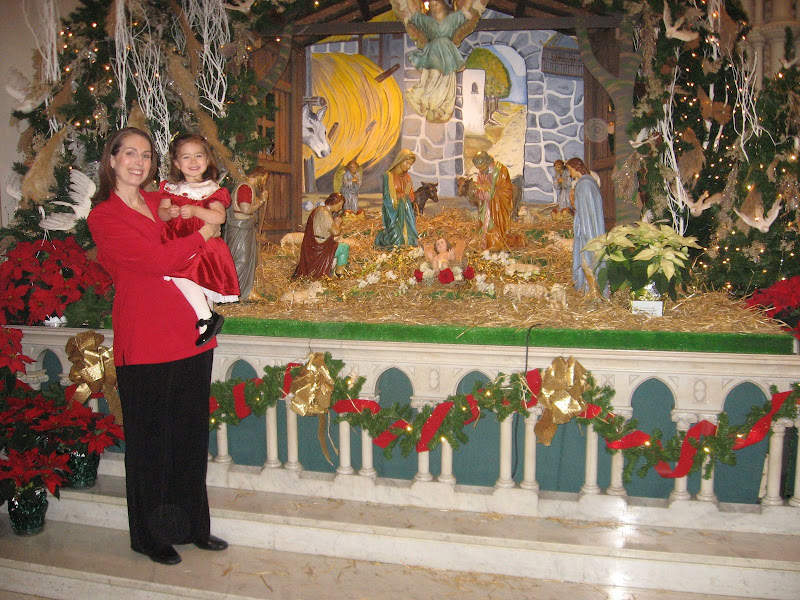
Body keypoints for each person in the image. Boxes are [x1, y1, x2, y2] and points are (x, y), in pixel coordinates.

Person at [87, 127, 228, 566]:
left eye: (146, 154)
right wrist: (203, 236)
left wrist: (215, 221)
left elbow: (208, 214)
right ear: (112, 160)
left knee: (189, 437)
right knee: (151, 444)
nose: (138, 162)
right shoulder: (104, 216)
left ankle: (192, 527)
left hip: (190, 334)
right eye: (129, 153)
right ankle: (150, 537)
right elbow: (156, 261)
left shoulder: (159, 201)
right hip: (145, 338)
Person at [158, 133, 239, 346]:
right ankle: (206, 321)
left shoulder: (211, 190)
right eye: (186, 157)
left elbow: (219, 217)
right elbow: (162, 213)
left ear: (207, 159)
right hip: (177, 241)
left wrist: (195, 211)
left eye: (198, 156)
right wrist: (170, 212)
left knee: (193, 278)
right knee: (179, 275)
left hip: (203, 243)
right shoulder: (170, 188)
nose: (193, 161)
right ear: (177, 163)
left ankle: (207, 318)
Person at [393, 0, 488, 122]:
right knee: (434, 74)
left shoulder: (453, 18)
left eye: (436, 4)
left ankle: (438, 105)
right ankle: (425, 100)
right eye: (432, 5)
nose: (434, 7)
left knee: (447, 80)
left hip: (447, 52)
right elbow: (414, 14)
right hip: (434, 50)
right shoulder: (427, 21)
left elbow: (466, 10)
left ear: (443, 5)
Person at [227, 168, 268, 300]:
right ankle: (232, 290)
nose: (264, 182)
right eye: (264, 178)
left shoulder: (249, 188)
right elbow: (245, 209)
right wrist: (261, 202)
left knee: (250, 258)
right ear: (259, 177)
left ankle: (247, 290)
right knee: (242, 259)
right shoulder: (245, 188)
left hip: (246, 227)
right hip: (241, 228)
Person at [566, 157, 605, 294]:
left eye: (570, 170)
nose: (570, 173)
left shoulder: (583, 185)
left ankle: (590, 290)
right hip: (591, 227)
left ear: (576, 168)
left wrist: (572, 199)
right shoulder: (590, 182)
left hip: (586, 230)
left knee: (587, 260)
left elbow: (582, 211)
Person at [293, 192, 350, 279]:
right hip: (320, 247)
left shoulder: (320, 210)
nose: (340, 208)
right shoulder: (324, 213)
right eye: (340, 205)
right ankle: (339, 273)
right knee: (344, 247)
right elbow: (335, 232)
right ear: (334, 203)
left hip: (319, 244)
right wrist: (337, 223)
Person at [374, 149, 419, 248]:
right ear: (400, 160)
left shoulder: (407, 177)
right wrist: (404, 193)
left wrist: (409, 194)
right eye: (407, 163)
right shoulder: (389, 176)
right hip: (393, 213)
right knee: (396, 240)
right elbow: (387, 198)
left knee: (411, 241)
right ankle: (382, 237)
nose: (409, 167)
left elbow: (411, 197)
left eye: (410, 165)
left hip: (406, 213)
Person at [472, 151, 513, 250]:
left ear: (487, 162)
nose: (481, 171)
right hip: (487, 205)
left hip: (498, 204)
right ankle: (486, 242)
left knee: (494, 224)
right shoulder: (482, 172)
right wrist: (481, 189)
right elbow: (478, 185)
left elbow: (506, 190)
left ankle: (496, 242)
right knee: (485, 222)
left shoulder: (501, 170)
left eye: (482, 168)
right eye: (479, 169)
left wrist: (491, 191)